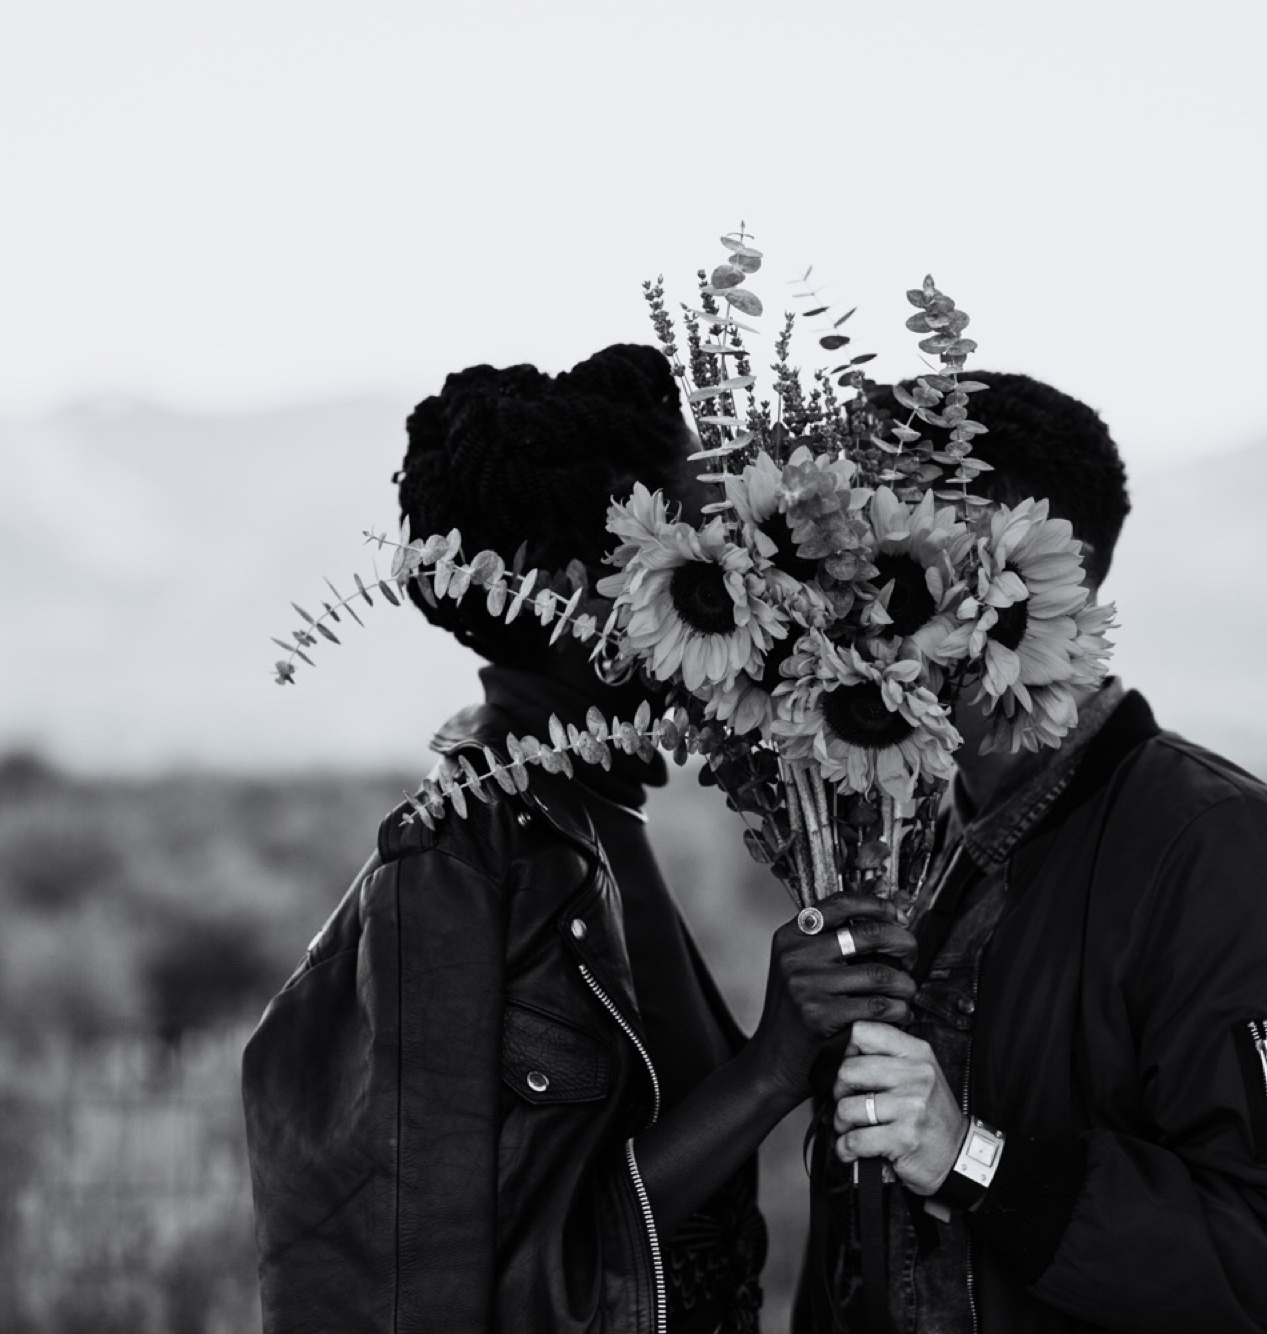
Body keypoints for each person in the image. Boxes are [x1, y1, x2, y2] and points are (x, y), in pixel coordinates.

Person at [240, 344, 920, 1334]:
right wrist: (769, 1066)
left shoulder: (595, 817)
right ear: (561, 585)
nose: (731, 586)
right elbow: (464, 1288)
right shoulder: (454, 871)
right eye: (683, 555)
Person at [794, 373, 1267, 1333]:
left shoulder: (1225, 856)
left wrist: (972, 1159)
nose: (853, 604)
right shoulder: (904, 854)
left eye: (892, 566)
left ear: (1034, 590)